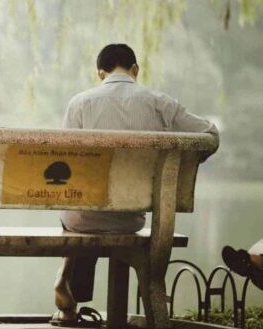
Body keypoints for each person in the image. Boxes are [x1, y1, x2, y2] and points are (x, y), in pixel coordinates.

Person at [51, 44, 219, 327]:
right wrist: (189, 162)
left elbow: (69, 163)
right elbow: (210, 135)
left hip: (84, 219)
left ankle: (70, 297)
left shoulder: (80, 103)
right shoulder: (160, 103)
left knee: (79, 216)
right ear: (135, 70)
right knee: (106, 215)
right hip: (131, 220)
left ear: (100, 74)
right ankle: (94, 297)